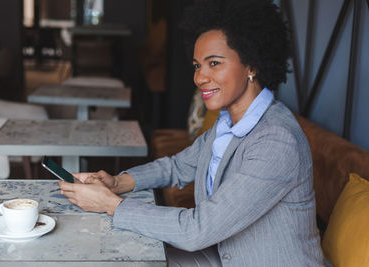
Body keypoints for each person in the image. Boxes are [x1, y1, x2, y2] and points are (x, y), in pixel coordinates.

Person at [59, 0, 325, 266]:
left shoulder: (275, 140)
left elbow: (197, 230)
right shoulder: (229, 123)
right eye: (198, 65)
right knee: (118, 252)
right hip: (221, 253)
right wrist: (117, 183)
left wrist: (111, 204)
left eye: (214, 63)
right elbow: (177, 166)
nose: (199, 78)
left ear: (252, 65)